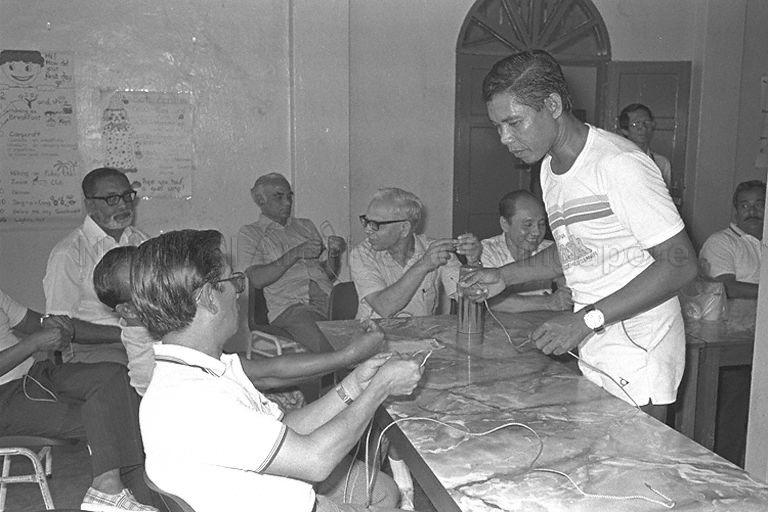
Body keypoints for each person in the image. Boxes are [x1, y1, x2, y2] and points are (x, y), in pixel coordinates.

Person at [462, 50, 697, 421]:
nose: (505, 138)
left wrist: (583, 320)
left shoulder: (618, 163)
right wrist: (504, 276)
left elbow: (680, 264)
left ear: (552, 105)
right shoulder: (549, 169)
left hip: (639, 348)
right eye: (498, 127)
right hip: (596, 340)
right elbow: (575, 251)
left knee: (632, 472)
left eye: (514, 122)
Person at [133, 229, 423, 512]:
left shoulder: (203, 367)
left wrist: (353, 386)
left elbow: (285, 428)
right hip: (289, 500)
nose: (238, 291)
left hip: (264, 487)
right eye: (234, 280)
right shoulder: (195, 398)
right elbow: (315, 460)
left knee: (384, 491)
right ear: (209, 297)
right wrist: (379, 388)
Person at [93, 245, 386, 397]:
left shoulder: (179, 343)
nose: (236, 289)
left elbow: (263, 372)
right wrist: (350, 363)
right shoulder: (172, 369)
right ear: (129, 311)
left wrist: (346, 358)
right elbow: (263, 373)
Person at [0, 288, 157, 511]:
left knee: (114, 376)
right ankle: (121, 492)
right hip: (5, 398)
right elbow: (34, 339)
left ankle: (115, 493)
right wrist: (33, 344)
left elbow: (37, 322)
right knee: (109, 422)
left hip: (36, 375)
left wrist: (129, 333)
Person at [43, 167, 148, 364]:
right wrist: (127, 333)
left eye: (127, 196)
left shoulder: (141, 240)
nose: (124, 205)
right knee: (131, 374)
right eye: (112, 199)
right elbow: (58, 325)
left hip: (140, 340)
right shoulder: (69, 253)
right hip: (92, 349)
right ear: (90, 205)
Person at [238, 173, 345, 353]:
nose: (287, 203)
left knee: (361, 336)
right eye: (279, 197)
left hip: (329, 299)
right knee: (329, 347)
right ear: (259, 199)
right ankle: (334, 381)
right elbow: (257, 279)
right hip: (292, 307)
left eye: (289, 196)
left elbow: (328, 274)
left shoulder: (305, 226)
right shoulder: (251, 233)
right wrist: (296, 253)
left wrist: (334, 254)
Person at [350, 187, 480, 320]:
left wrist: (473, 262)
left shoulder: (434, 251)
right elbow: (384, 308)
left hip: (421, 336)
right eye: (366, 221)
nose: (367, 230)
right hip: (373, 336)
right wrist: (423, 265)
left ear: (404, 228)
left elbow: (470, 298)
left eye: (375, 224)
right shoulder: (362, 253)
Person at [480, 190, 572, 313]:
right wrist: (548, 302)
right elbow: (488, 300)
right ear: (505, 224)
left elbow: (570, 289)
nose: (537, 232)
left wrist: (565, 293)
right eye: (528, 225)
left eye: (541, 224)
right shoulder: (486, 250)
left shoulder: (550, 250)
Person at [699, 180, 765, 299]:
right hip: (736, 316)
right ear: (736, 212)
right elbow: (726, 288)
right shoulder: (720, 242)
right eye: (744, 206)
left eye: (759, 205)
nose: (752, 211)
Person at [619, 103, 672, 189]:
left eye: (646, 123)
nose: (643, 128)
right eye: (636, 124)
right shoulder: (618, 160)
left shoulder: (662, 163)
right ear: (625, 130)